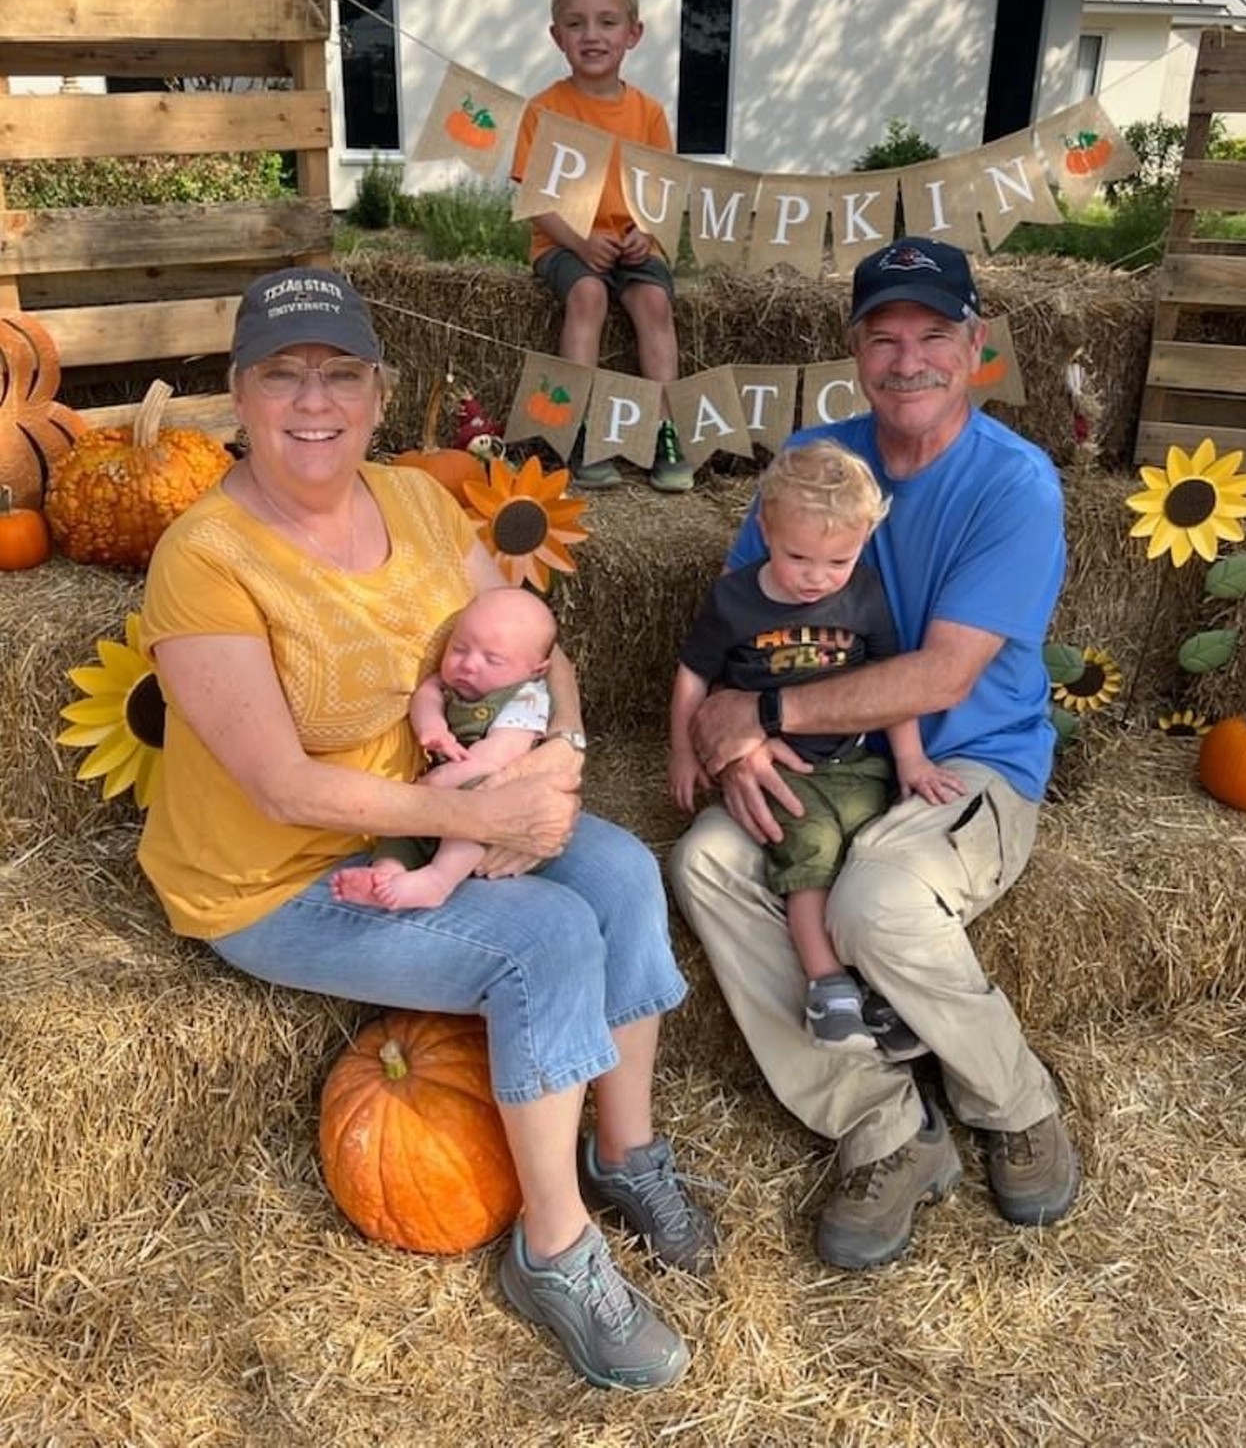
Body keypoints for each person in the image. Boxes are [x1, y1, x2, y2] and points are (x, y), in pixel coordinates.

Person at [137, 266, 713, 1392]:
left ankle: (624, 1150)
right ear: (239, 397)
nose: (315, 401)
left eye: (339, 373)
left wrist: (558, 758)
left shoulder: (414, 499)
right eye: (283, 375)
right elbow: (279, 786)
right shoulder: (203, 558)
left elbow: (537, 653)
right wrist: (475, 814)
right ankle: (552, 1252)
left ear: (378, 391)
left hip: (429, 816)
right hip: (277, 875)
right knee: (543, 941)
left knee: (620, 871)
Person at [668, 236, 1080, 1272]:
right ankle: (883, 1124)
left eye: (931, 334)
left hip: (962, 763)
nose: (907, 359)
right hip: (831, 761)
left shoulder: (1011, 487)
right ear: (853, 348)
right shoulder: (818, 465)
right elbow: (740, 619)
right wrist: (724, 721)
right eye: (882, 335)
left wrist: (761, 720)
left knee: (876, 901)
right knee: (704, 862)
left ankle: (1013, 1101)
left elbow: (941, 679)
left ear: (973, 345)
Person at [669, 439, 964, 1051]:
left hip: (854, 758)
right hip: (782, 761)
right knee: (809, 852)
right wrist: (682, 749)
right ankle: (827, 985)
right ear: (764, 530)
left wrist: (909, 759)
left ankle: (880, 994)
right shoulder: (735, 599)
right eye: (797, 556)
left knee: (868, 855)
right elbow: (693, 674)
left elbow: (890, 683)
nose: (816, 578)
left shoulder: (865, 594)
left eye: (838, 561)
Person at [511, 0, 692, 494]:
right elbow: (535, 196)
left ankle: (667, 431)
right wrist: (580, 240)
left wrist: (647, 234)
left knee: (654, 303)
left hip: (633, 246)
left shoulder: (649, 113)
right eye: (576, 23)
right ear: (556, 36)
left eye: (607, 22)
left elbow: (661, 190)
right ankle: (581, 431)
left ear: (633, 34)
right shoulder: (543, 110)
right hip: (565, 242)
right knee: (587, 295)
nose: (592, 35)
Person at [330, 586, 558, 911]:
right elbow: (427, 695)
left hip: (484, 792)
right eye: (459, 648)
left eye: (492, 659)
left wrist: (440, 783)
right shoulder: (448, 683)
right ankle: (385, 879)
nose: (468, 665)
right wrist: (432, 728)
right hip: (433, 798)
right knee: (401, 833)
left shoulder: (528, 698)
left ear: (536, 670)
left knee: (477, 815)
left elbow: (497, 756)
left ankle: (438, 881)